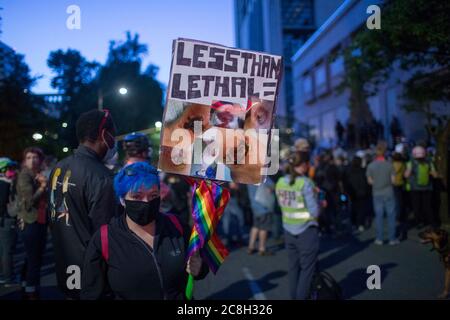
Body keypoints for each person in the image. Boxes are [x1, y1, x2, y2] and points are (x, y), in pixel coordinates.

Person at [81, 162, 208, 300]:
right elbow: (92, 293)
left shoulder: (177, 226)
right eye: (137, 197)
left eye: (153, 195)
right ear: (122, 200)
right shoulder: (104, 239)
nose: (146, 202)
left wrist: (200, 268)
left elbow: (200, 262)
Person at [49, 109, 118, 299]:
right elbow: (105, 235)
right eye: (114, 133)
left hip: (65, 268)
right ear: (104, 134)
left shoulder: (58, 167)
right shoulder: (101, 177)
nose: (115, 140)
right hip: (92, 276)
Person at [275, 151, 319, 300]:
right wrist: (321, 203)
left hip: (288, 229)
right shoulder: (305, 183)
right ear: (305, 165)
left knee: (293, 269)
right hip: (306, 230)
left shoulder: (280, 182)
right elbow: (315, 211)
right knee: (307, 270)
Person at [16, 147, 48, 299]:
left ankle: (25, 284)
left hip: (39, 220)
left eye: (35, 157)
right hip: (30, 221)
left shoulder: (37, 174)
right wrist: (42, 187)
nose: (32, 160)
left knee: (31, 257)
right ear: (24, 160)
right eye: (29, 157)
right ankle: (31, 291)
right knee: (35, 258)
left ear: (40, 160)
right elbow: (29, 202)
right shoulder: (24, 176)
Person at [366, 141, 398, 245]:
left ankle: (379, 238)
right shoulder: (389, 165)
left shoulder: (371, 166)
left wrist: (377, 182)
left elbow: (370, 181)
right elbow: (393, 180)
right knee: (391, 215)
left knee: (378, 216)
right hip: (389, 192)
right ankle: (392, 239)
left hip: (377, 193)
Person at [404, 145, 438, 228]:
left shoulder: (410, 162)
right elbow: (435, 175)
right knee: (428, 206)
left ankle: (419, 222)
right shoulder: (429, 161)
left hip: (415, 188)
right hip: (428, 187)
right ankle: (432, 223)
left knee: (417, 206)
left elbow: (406, 175)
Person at [0, 158, 18, 288]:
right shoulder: (5, 184)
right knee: (8, 250)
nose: (12, 171)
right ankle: (8, 278)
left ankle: (3, 276)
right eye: (10, 168)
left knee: (2, 250)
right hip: (6, 220)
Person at [247, 179, 275, 256]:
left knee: (255, 226)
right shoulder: (263, 176)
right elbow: (272, 186)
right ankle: (262, 248)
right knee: (264, 228)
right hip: (264, 207)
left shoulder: (249, 176)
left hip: (254, 206)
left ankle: (251, 247)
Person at [345, 156, 371, 232]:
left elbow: (347, 182)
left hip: (353, 193)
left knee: (354, 208)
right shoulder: (363, 171)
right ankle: (360, 224)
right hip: (361, 193)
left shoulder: (349, 171)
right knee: (361, 209)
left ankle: (354, 223)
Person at [392, 145, 408, 240]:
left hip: (394, 184)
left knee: (396, 201)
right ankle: (400, 214)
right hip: (401, 184)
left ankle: (397, 216)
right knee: (400, 200)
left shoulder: (392, 165)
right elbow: (405, 174)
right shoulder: (403, 164)